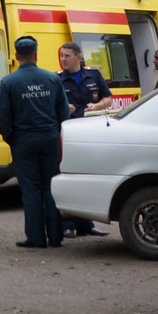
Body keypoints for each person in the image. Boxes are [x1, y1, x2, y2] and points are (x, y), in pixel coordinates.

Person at [0, 36, 68, 248]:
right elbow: (63, 112)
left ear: (17, 56)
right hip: (49, 138)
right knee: (51, 186)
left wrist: (11, 139)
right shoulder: (52, 79)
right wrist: (56, 133)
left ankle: (36, 238)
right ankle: (56, 236)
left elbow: (3, 115)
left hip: (23, 140)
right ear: (36, 54)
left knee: (30, 190)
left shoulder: (9, 82)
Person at [57, 41, 110, 237]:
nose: (63, 59)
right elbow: (51, 105)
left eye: (67, 56)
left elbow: (107, 98)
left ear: (78, 57)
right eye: (62, 55)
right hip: (68, 135)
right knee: (69, 178)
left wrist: (96, 107)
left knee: (89, 178)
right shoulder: (57, 79)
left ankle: (87, 224)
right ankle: (68, 224)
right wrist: (63, 108)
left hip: (90, 134)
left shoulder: (93, 75)